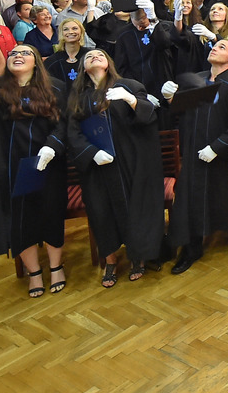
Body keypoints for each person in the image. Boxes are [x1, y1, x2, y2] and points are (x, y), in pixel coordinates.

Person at [0, 28, 69, 298]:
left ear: (36, 62)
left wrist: (52, 146)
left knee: (51, 213)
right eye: (13, 53)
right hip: (11, 166)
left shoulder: (55, 86)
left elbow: (64, 123)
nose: (17, 55)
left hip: (47, 161)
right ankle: (33, 272)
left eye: (25, 53)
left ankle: (56, 266)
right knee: (20, 220)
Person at [65, 49, 164, 286]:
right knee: (101, 210)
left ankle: (137, 255)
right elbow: (72, 132)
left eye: (100, 55)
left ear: (109, 63)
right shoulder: (77, 97)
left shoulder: (129, 85)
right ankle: (110, 259)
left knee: (135, 207)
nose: (94, 57)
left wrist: (131, 100)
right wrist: (92, 153)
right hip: (98, 165)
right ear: (83, 68)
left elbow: (149, 116)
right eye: (89, 57)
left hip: (130, 160)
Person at [163, 38, 228, 275]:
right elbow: (182, 110)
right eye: (214, 45)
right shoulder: (197, 79)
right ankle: (191, 248)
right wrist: (170, 99)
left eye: (222, 47)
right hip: (193, 151)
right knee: (191, 199)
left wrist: (217, 147)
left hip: (222, 153)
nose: (214, 48)